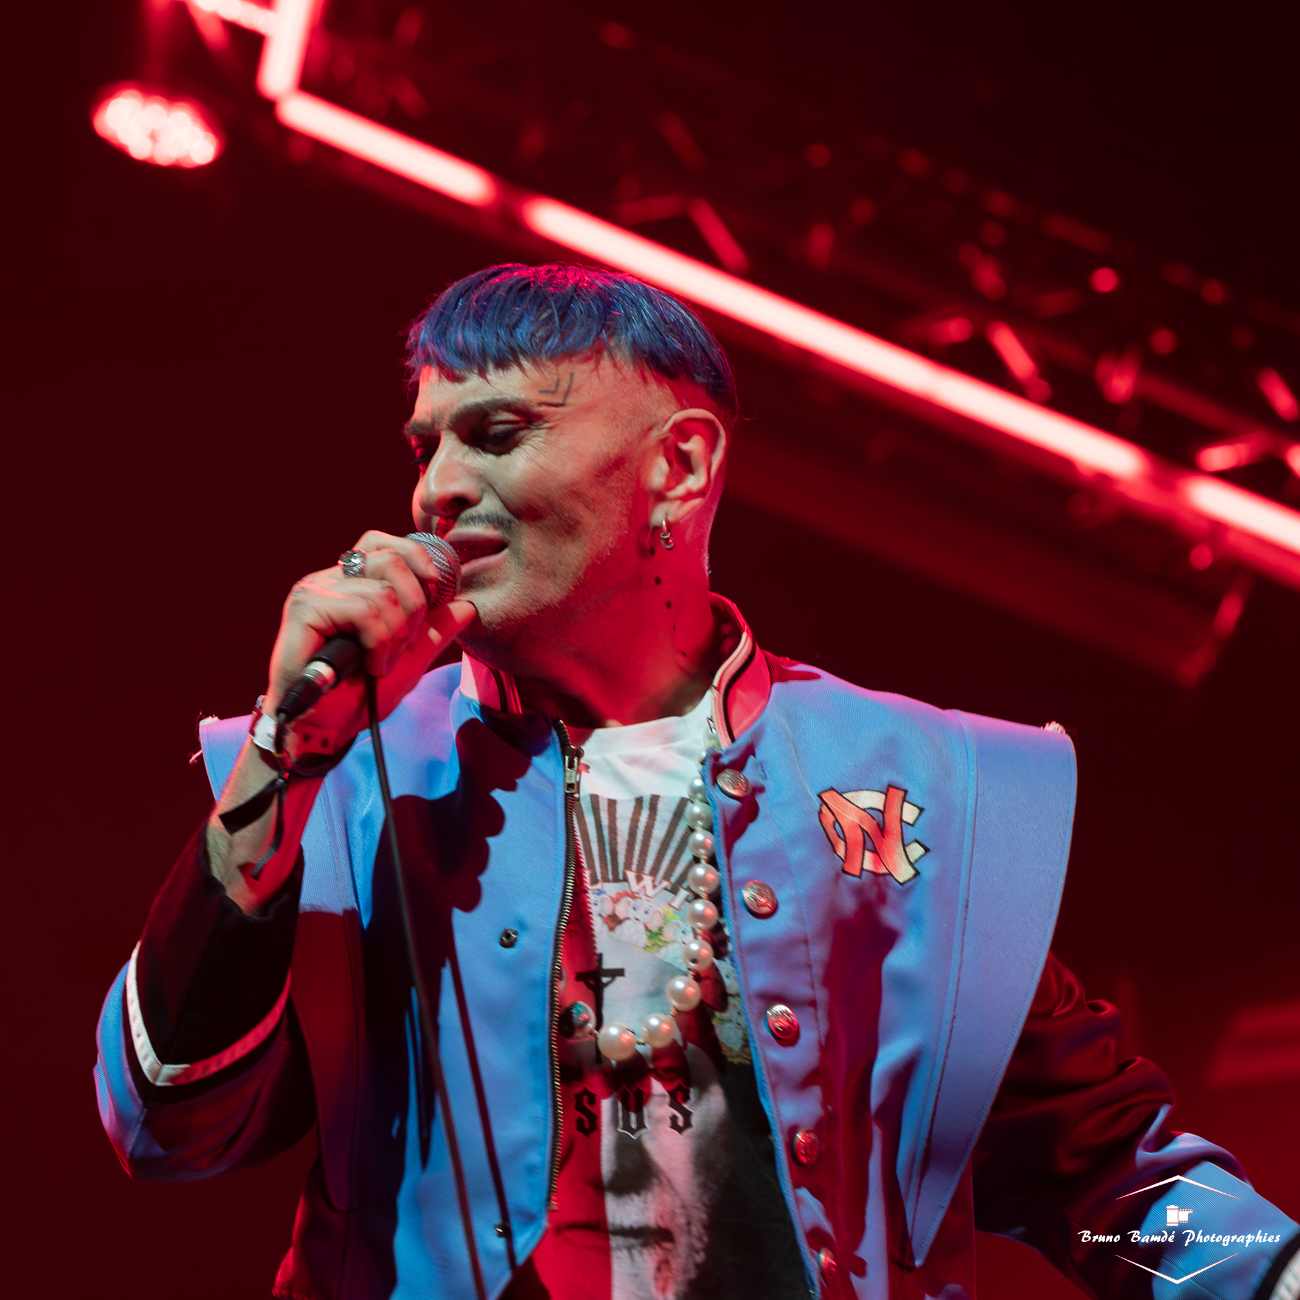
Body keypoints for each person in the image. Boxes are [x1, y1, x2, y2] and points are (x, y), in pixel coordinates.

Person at [95, 263, 1300, 1300]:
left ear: (678, 466)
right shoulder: (359, 776)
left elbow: (1109, 1182)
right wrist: (285, 756)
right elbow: (162, 1123)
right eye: (427, 446)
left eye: (496, 434)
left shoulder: (900, 783)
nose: (434, 490)